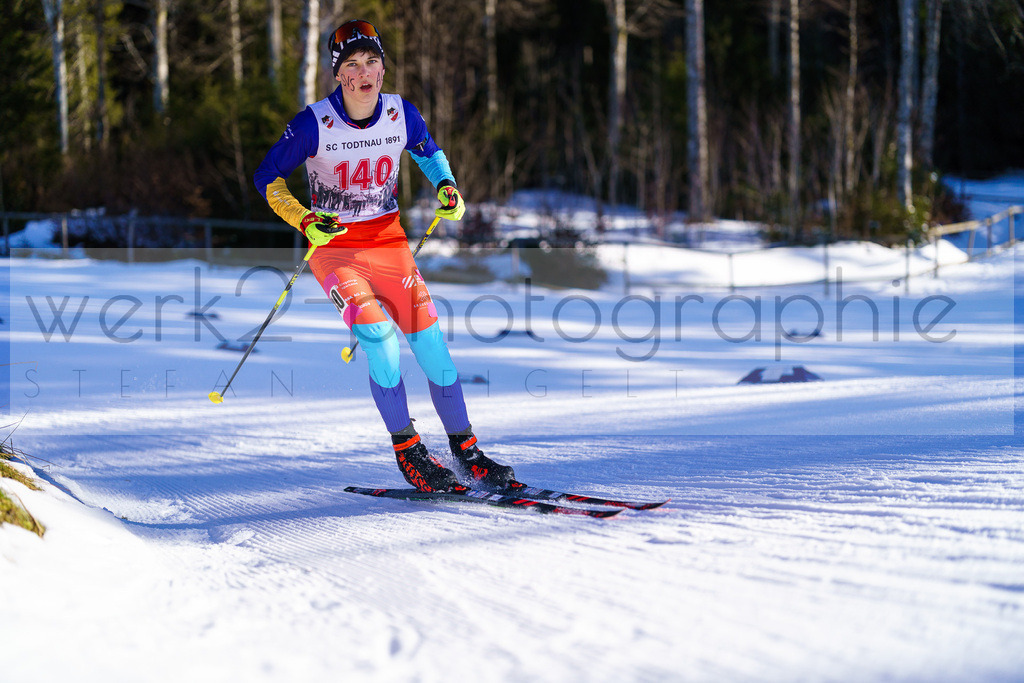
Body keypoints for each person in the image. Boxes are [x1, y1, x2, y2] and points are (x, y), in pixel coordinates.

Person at [254, 19, 518, 493]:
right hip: (336, 252)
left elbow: (427, 151)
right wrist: (302, 218)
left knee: (434, 350)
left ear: (382, 66)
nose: (364, 73)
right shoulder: (314, 122)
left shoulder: (400, 112)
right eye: (351, 65)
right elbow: (266, 176)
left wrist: (447, 185)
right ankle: (409, 449)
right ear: (338, 75)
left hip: (391, 247)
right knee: (379, 338)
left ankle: (466, 450)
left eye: (372, 61)